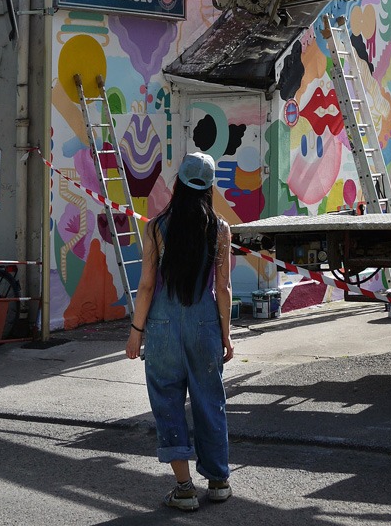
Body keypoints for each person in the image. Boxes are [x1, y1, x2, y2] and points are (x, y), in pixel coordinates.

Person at [125, 151, 234, 511]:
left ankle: (184, 489)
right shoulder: (220, 229)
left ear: (178, 185)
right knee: (210, 400)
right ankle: (218, 481)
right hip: (205, 325)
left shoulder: (156, 227)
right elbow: (223, 288)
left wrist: (136, 330)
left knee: (167, 401)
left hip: (162, 326)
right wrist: (226, 334)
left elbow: (145, 285)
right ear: (209, 187)